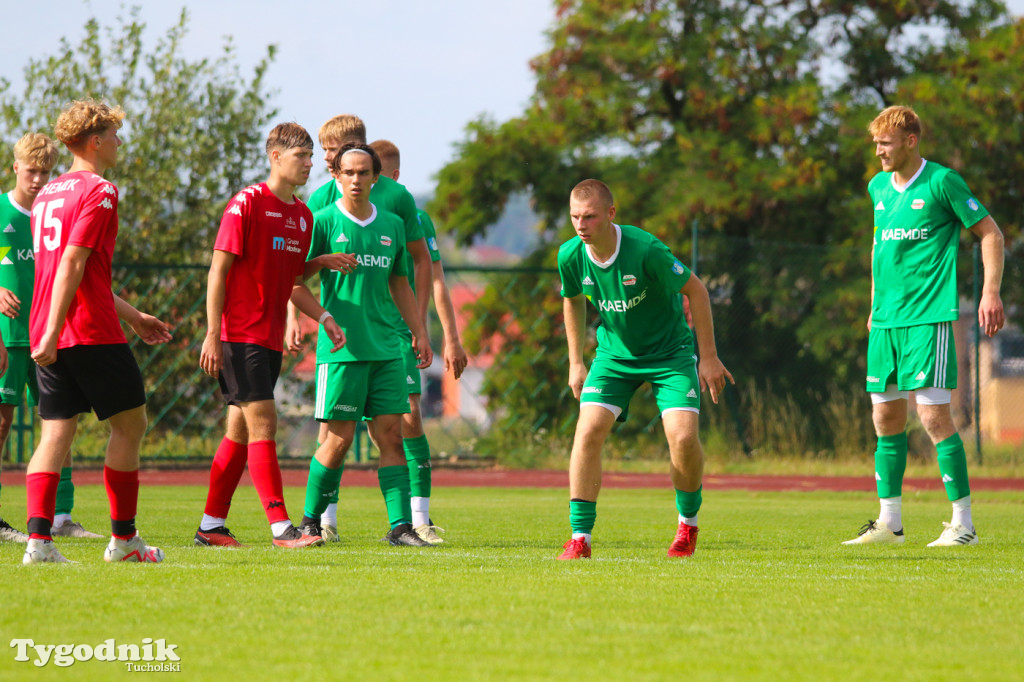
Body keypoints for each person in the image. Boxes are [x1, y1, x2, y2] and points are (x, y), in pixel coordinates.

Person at [843, 105, 1005, 548]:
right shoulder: (878, 187)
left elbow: (991, 234)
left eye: (886, 143)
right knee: (885, 417)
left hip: (928, 319)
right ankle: (889, 524)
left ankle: (963, 525)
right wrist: (874, 310)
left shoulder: (942, 182)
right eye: (876, 143)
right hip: (885, 323)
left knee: (933, 417)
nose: (878, 151)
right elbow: (881, 255)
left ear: (911, 141)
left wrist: (990, 292)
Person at [23, 100, 172, 564]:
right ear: (95, 141)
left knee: (55, 435)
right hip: (86, 330)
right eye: (113, 134)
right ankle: (124, 540)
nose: (119, 142)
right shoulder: (101, 190)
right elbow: (72, 263)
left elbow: (75, 275)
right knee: (131, 425)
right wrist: (55, 331)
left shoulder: (46, 193)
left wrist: (135, 317)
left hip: (51, 327)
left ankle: (39, 544)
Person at [556, 179, 733, 560]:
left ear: (611, 214)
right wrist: (575, 361)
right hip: (614, 358)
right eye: (574, 217)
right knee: (587, 431)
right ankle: (580, 538)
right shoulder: (571, 255)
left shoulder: (646, 250)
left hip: (671, 353)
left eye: (589, 216)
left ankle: (688, 524)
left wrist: (710, 357)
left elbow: (697, 290)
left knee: (683, 440)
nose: (581, 225)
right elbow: (571, 301)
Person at [195, 122, 347, 549]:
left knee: (239, 433)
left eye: (311, 156)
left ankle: (210, 527)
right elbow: (218, 271)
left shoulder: (302, 216)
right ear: (276, 157)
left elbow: (294, 282)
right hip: (239, 336)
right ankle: (282, 528)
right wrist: (212, 334)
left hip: (266, 340)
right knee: (265, 424)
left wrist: (323, 316)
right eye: (302, 156)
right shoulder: (246, 204)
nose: (310, 163)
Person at [289, 115, 432, 540]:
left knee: (391, 434)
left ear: (376, 177)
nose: (355, 180)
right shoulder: (325, 221)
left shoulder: (391, 224)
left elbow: (400, 281)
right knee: (336, 442)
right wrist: (323, 309)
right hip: (343, 351)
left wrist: (420, 331)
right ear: (337, 175)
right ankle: (311, 522)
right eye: (348, 172)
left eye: (363, 173)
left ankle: (401, 526)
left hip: (387, 347)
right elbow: (294, 284)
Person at [355, 138, 468, 544]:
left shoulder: (411, 217)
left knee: (410, 419)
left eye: (374, 175)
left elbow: (435, 278)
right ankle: (322, 520)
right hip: (357, 335)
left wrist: (449, 338)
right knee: (339, 429)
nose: (365, 184)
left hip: (401, 334)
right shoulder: (346, 216)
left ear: (391, 178)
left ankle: (419, 517)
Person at [0, 133, 102, 543]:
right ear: (15, 169)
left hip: (47, 334)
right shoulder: (2, 213)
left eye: (46, 171)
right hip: (8, 339)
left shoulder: (51, 214)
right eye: (32, 171)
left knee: (61, 423)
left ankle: (61, 516)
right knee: (3, 423)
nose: (39, 179)